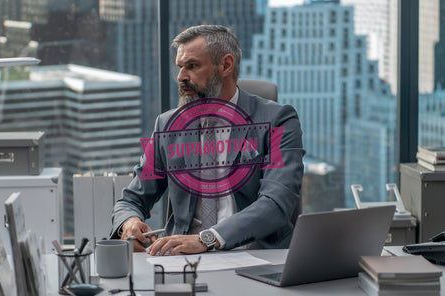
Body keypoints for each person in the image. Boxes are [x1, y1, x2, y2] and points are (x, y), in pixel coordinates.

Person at [111, 25, 305, 256]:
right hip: (183, 258)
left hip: (256, 255)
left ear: (226, 65)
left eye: (192, 66)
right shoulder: (167, 125)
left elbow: (276, 203)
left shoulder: (278, 119)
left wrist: (207, 239)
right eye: (180, 67)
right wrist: (130, 223)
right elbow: (132, 199)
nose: (181, 77)